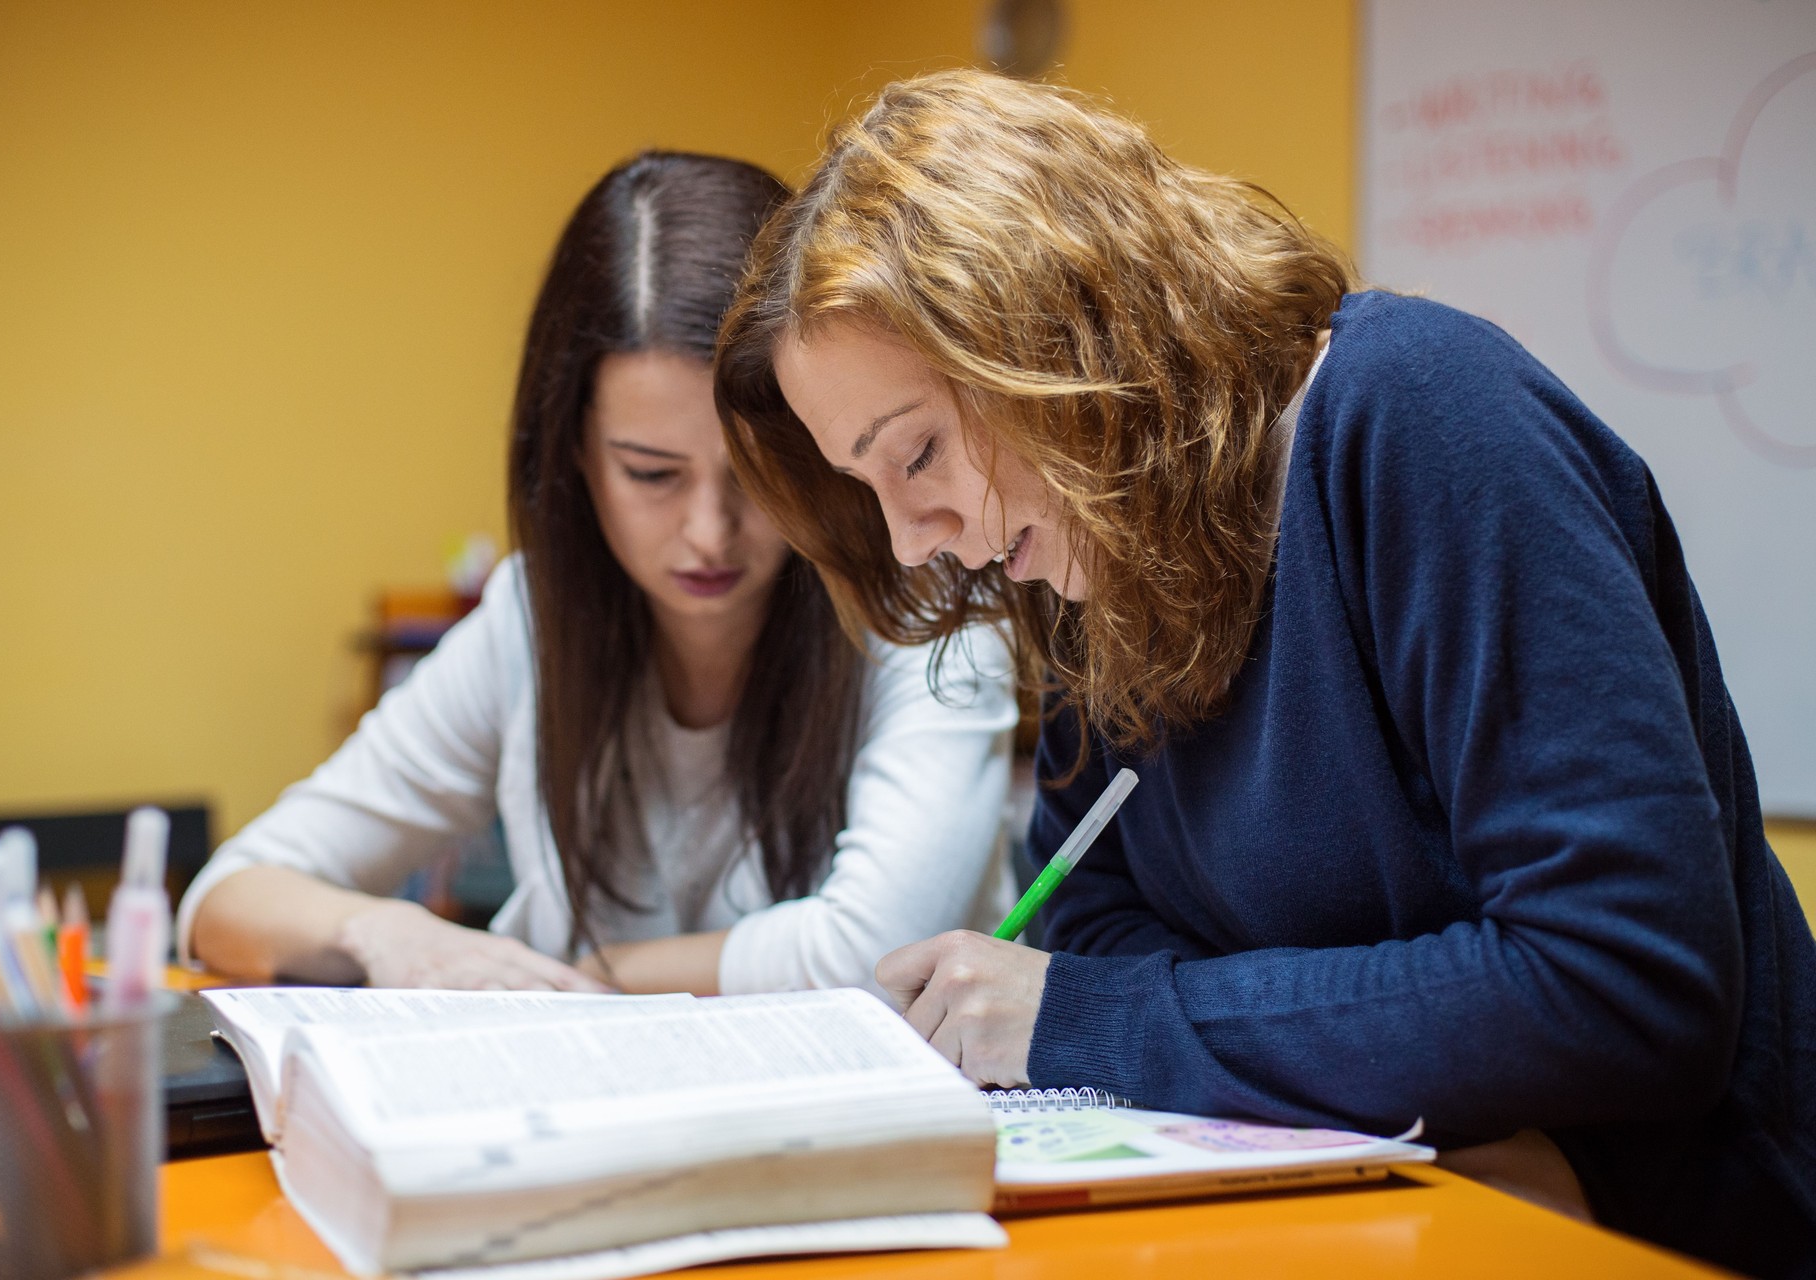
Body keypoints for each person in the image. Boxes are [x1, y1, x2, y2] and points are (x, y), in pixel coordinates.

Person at [713, 71, 1816, 1276]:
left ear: (1050, 328)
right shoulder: (1088, 554)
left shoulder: (1419, 417)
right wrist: (1402, 1045)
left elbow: (1623, 981)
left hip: (1663, 1227)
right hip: (1386, 1193)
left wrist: (1104, 1019)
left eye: (915, 451)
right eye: (870, 490)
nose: (913, 538)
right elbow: (1086, 915)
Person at [181, 151, 1016, 999]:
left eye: (755, 475)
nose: (708, 534)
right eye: (652, 474)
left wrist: (598, 974)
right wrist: (387, 932)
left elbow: (878, 952)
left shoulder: (927, 610)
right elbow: (227, 895)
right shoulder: (533, 620)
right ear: (578, 455)